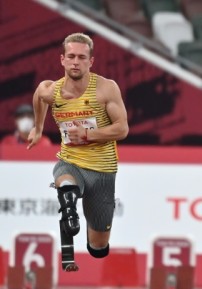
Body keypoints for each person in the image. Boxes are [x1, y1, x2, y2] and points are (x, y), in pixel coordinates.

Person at [27, 32, 129, 272]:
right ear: (62, 59)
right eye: (71, 56)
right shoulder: (51, 90)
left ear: (90, 62)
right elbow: (39, 97)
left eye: (81, 57)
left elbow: (122, 129)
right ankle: (69, 214)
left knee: (98, 248)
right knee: (66, 187)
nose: (75, 61)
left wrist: (88, 135)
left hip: (102, 171)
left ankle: (90, 231)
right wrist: (38, 128)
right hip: (70, 161)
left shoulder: (105, 89)